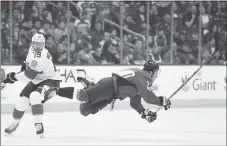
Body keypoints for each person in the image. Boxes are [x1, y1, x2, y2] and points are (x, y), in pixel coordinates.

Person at [57, 60, 171, 123]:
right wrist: (161, 101)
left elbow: (135, 102)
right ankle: (56, 91)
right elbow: (148, 97)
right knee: (84, 96)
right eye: (157, 73)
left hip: (111, 94)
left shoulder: (140, 78)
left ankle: (90, 86)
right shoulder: (142, 77)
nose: (157, 76)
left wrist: (143, 112)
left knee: (84, 110)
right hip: (108, 86)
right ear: (151, 72)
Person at [3, 33, 61, 138]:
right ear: (32, 43)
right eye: (35, 43)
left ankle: (38, 124)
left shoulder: (42, 56)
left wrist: (13, 77)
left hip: (51, 81)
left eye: (40, 44)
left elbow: (29, 75)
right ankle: (14, 124)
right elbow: (26, 66)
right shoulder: (31, 49)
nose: (37, 46)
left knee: (34, 96)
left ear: (43, 44)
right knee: (22, 102)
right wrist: (17, 74)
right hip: (37, 80)